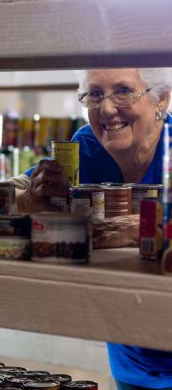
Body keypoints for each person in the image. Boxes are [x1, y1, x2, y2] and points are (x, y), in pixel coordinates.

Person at [14, 68, 172, 389]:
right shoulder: (88, 144)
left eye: (124, 91)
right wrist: (29, 201)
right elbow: (4, 194)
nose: (107, 109)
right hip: (132, 355)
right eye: (96, 94)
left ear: (162, 100)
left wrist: (133, 227)